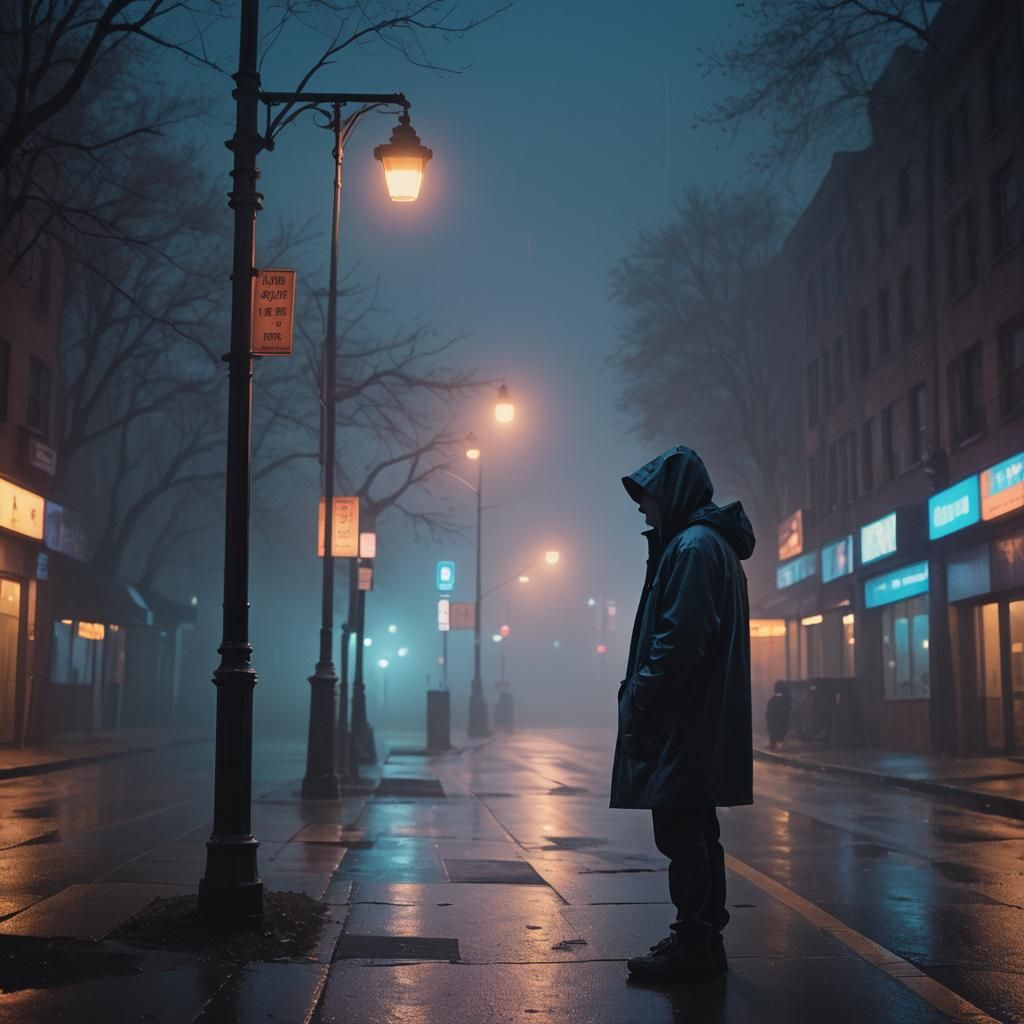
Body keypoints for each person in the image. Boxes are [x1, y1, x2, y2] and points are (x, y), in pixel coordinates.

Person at [611, 446, 755, 984]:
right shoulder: (704, 546)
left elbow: (680, 641)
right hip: (696, 718)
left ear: (670, 494)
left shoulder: (692, 549)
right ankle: (700, 939)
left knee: (681, 831)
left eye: (647, 498)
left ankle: (695, 945)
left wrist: (643, 699)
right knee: (696, 829)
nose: (643, 509)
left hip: (683, 721)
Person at [765, 681, 791, 750]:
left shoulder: (772, 700)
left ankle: (774, 746)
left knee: (774, 736)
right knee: (780, 737)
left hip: (774, 723)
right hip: (781, 722)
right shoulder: (786, 700)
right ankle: (778, 747)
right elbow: (787, 712)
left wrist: (768, 720)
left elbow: (768, 712)